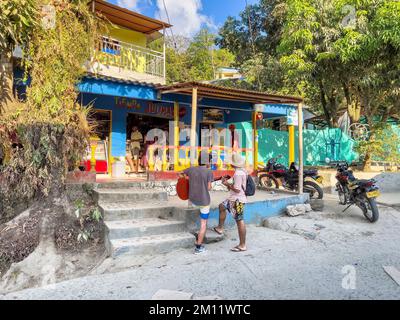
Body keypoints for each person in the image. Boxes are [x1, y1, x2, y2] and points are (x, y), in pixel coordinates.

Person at [179, 151, 213, 254]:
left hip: (193, 200)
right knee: (203, 224)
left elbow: (180, 173)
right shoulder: (208, 172)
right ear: (207, 161)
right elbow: (209, 188)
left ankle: (196, 240)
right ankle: (198, 247)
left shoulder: (191, 169)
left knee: (197, 220)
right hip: (204, 201)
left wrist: (187, 178)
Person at [214, 153, 248, 252]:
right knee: (221, 206)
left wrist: (226, 184)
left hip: (237, 200)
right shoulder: (242, 171)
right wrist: (228, 183)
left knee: (239, 220)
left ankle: (242, 245)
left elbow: (237, 189)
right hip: (233, 198)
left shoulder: (238, 173)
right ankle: (220, 228)